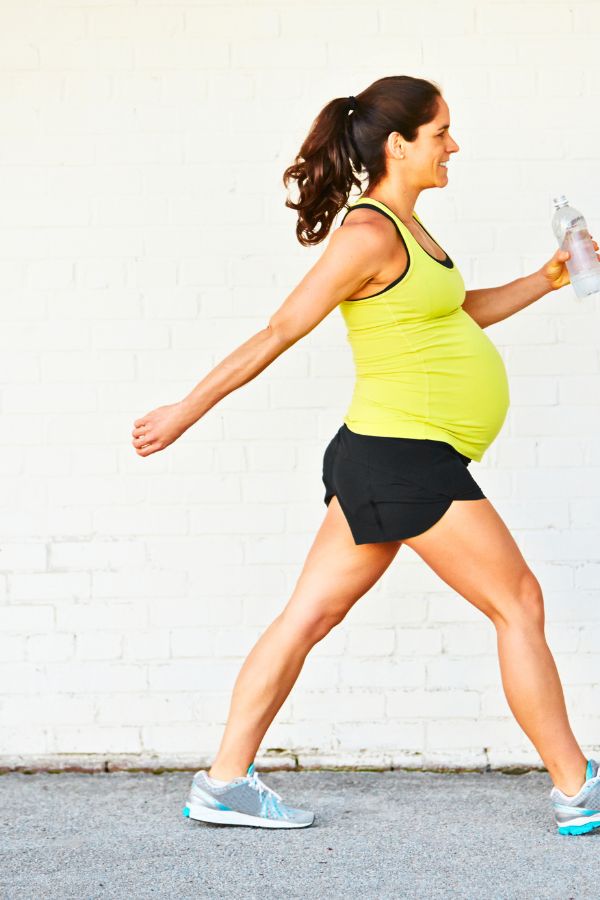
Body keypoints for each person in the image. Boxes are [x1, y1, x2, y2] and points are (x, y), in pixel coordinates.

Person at [131, 75, 600, 835]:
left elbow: (454, 315)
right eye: (441, 132)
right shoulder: (369, 235)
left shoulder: (411, 231)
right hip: (402, 459)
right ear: (398, 144)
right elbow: (281, 329)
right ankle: (579, 791)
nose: (454, 145)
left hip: (385, 457)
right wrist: (185, 411)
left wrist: (546, 280)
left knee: (308, 615)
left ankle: (224, 785)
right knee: (519, 603)